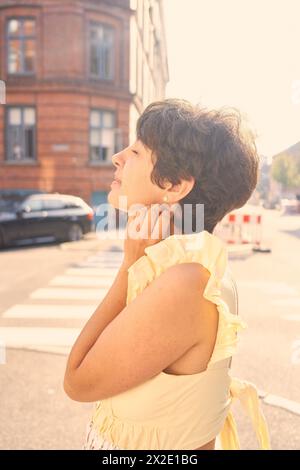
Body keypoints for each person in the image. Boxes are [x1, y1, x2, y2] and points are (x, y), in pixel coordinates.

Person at [64, 99, 271, 450]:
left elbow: (77, 380)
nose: (118, 157)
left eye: (137, 151)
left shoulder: (187, 282)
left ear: (175, 186)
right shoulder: (188, 266)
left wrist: (129, 265)